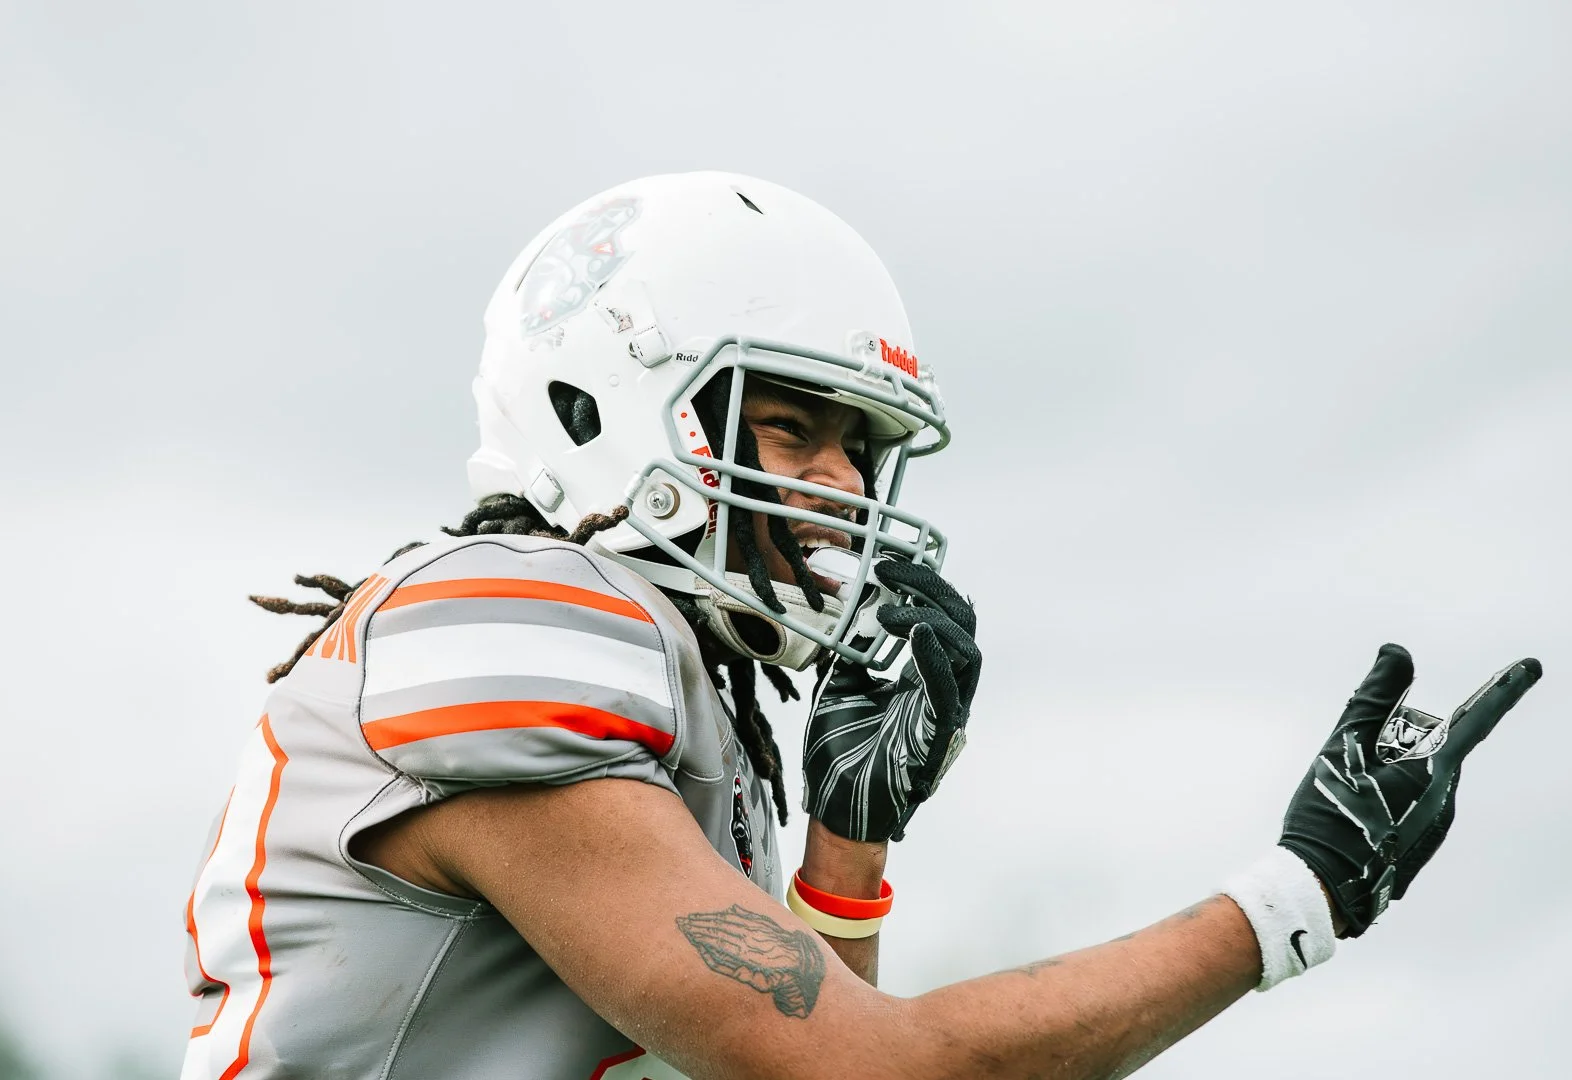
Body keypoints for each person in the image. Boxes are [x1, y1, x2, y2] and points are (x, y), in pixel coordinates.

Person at [179, 172, 1541, 1080]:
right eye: (788, 426)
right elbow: (855, 1072)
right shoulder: (517, 622)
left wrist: (850, 844)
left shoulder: (669, 675)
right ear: (604, 407)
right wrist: (1293, 898)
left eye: (856, 445)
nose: (836, 486)